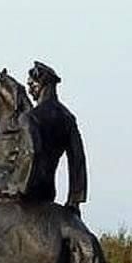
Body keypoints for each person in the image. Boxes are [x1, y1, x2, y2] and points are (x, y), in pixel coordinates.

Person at [25, 61, 87, 212]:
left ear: (41, 84)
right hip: (48, 192)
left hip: (25, 191)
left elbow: (27, 154)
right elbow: (77, 160)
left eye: (31, 85)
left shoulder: (31, 117)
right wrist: (74, 200)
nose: (29, 90)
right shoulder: (67, 118)